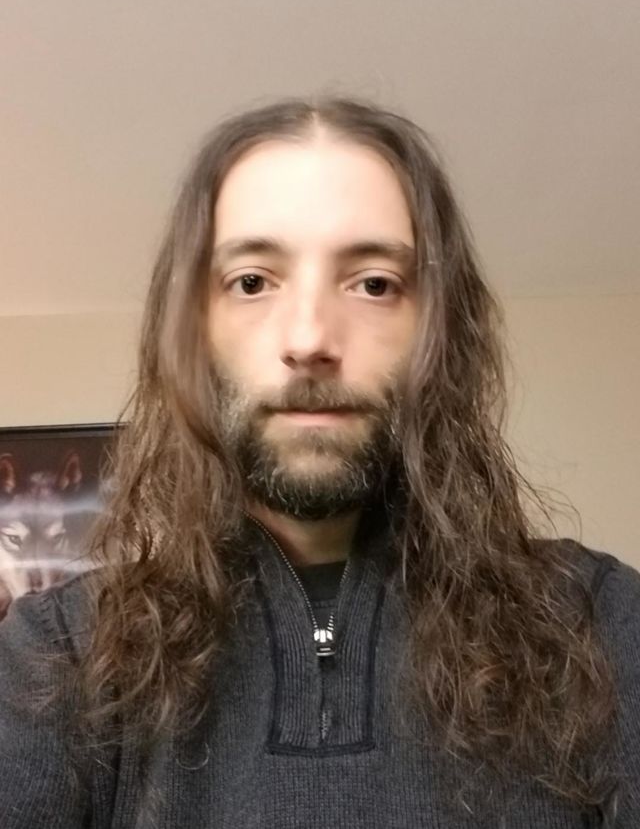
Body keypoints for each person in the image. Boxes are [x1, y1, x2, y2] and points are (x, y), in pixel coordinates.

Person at [0, 97, 638, 828]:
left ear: (440, 336)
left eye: (374, 283)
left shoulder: (603, 623)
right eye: (252, 281)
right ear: (194, 335)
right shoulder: (53, 657)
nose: (309, 340)